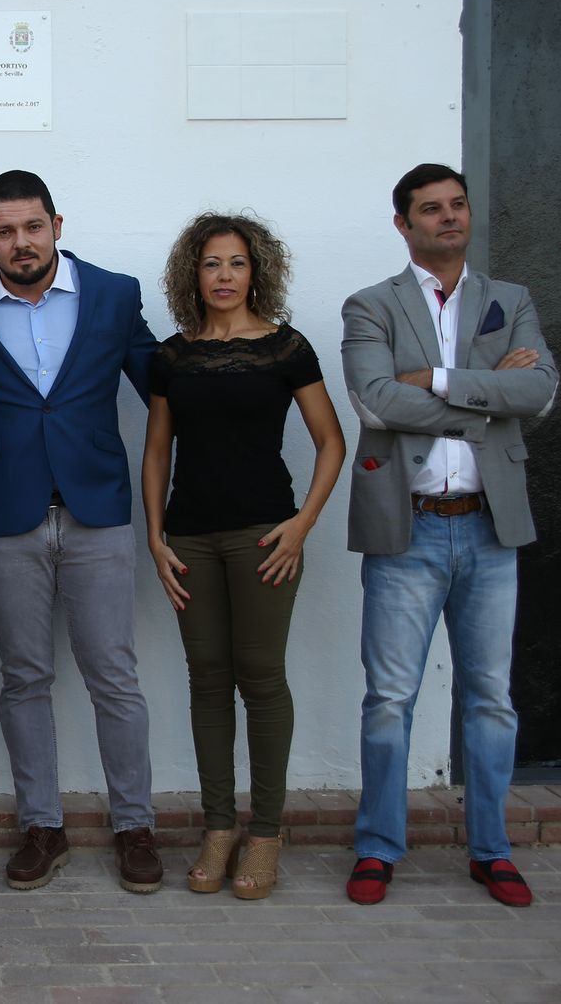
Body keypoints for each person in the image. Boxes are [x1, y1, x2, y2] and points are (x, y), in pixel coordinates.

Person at [0, 170, 162, 894]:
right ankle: (43, 826)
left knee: (114, 678)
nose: (21, 242)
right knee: (24, 679)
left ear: (57, 224)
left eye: (33, 226)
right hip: (6, 515)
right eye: (5, 231)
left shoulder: (115, 295)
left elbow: (165, 386)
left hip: (99, 511)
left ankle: (134, 827)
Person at [341, 164, 558, 907]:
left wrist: (433, 379)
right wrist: (487, 393)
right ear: (403, 224)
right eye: (430, 209)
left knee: (491, 698)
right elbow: (374, 400)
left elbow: (540, 392)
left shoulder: (510, 301)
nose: (448, 218)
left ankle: (490, 851)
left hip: (490, 529)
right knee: (389, 699)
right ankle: (377, 847)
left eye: (456, 206)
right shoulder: (370, 305)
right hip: (409, 532)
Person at [141, 212, 345, 900]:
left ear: (256, 269)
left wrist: (301, 526)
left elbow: (331, 443)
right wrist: (154, 535)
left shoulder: (288, 348)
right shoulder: (171, 357)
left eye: (235, 263)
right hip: (191, 537)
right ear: (191, 275)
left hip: (266, 536)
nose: (223, 276)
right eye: (210, 264)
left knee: (260, 677)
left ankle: (267, 833)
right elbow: (157, 450)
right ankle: (219, 828)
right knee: (206, 679)